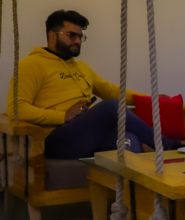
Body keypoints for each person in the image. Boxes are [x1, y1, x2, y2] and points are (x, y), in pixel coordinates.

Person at [12, 10, 164, 158]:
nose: (78, 41)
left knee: (129, 140)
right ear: (52, 35)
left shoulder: (82, 68)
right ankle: (165, 144)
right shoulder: (30, 65)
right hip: (55, 138)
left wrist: (149, 100)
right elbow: (16, 108)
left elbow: (110, 90)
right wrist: (63, 116)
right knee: (111, 106)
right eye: (72, 35)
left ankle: (142, 174)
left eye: (80, 36)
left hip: (86, 135)